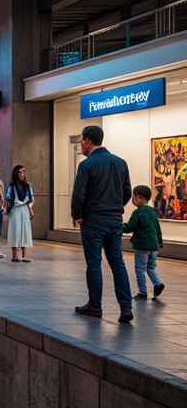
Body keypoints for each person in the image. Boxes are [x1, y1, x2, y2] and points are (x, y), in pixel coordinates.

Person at [71, 125, 134, 322]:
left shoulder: (87, 164)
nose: (81, 144)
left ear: (89, 141)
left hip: (93, 220)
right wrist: (114, 207)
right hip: (115, 220)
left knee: (94, 263)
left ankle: (95, 306)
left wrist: (77, 214)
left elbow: (79, 193)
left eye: (82, 140)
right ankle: (126, 307)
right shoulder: (120, 162)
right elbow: (127, 193)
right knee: (117, 263)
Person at [123, 184, 165, 301]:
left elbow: (129, 227)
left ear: (140, 197)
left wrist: (118, 225)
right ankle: (157, 283)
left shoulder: (138, 213)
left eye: (134, 197)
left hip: (142, 246)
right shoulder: (152, 212)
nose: (133, 200)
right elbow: (157, 228)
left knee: (140, 269)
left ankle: (143, 292)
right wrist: (160, 243)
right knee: (151, 267)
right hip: (154, 245)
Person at [5, 165, 34, 262]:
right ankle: (14, 256)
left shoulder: (27, 185)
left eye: (24, 172)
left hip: (24, 210)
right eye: (20, 172)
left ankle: (23, 256)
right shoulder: (11, 186)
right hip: (15, 210)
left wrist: (30, 210)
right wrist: (7, 210)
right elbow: (8, 199)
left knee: (24, 231)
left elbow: (31, 199)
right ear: (16, 174)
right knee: (15, 231)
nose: (23, 174)